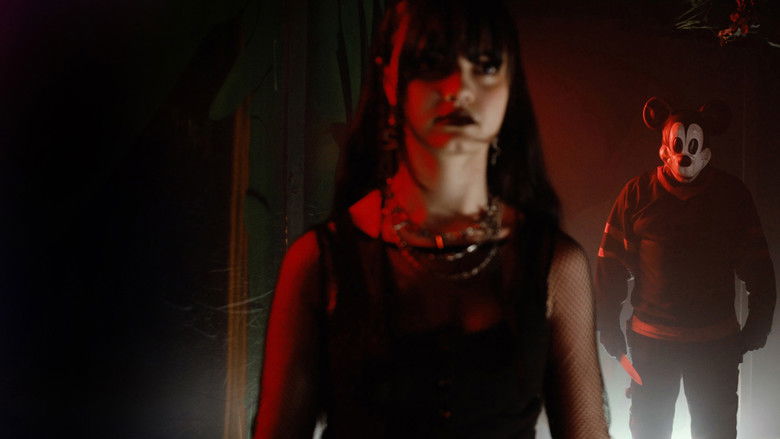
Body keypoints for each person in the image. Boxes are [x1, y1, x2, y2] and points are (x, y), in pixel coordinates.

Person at [253, 1, 610, 437]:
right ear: (389, 78)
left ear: (509, 82)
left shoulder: (553, 264)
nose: (460, 87)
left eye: (486, 65)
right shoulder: (319, 262)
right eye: (432, 62)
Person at [595, 97, 776, 439]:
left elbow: (758, 266)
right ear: (665, 148)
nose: (685, 156)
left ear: (706, 149)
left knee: (715, 431)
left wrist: (757, 326)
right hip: (651, 345)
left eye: (692, 146)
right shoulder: (637, 194)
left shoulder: (732, 195)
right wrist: (607, 327)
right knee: (649, 430)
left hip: (715, 345)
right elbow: (611, 264)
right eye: (678, 146)